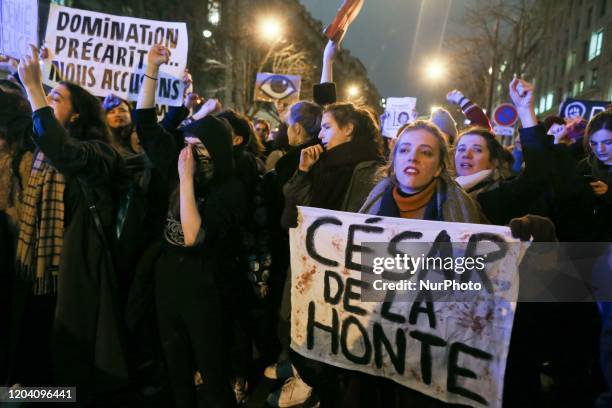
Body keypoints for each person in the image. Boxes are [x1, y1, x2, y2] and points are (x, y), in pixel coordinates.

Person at [10, 45, 127, 402]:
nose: (46, 99)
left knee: (65, 370)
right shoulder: (38, 151)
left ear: (76, 116)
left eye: (55, 97)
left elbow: (65, 152)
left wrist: (33, 88)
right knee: (30, 363)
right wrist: (21, 80)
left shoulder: (99, 153)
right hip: (37, 274)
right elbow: (26, 120)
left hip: (74, 278)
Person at [132, 43, 244, 407]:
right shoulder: (178, 162)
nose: (190, 152)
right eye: (187, 142)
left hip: (206, 286)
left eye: (199, 146)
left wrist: (185, 180)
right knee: (175, 370)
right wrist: (151, 68)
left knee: (212, 375)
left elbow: (193, 235)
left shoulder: (230, 189)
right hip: (169, 279)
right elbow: (145, 124)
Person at [268, 102, 386, 407]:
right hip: (312, 270)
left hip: (342, 279)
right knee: (300, 336)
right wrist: (304, 172)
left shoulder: (370, 171)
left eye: (327, 127)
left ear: (348, 130)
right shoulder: (321, 164)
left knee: (337, 357)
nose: (320, 134)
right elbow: (294, 210)